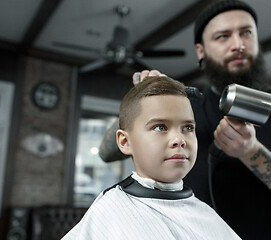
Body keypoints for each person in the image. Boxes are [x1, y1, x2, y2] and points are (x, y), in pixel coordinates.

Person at [99, 1, 271, 239]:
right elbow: (107, 152)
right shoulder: (186, 109)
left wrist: (251, 152)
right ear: (201, 51)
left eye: (246, 33)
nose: (238, 45)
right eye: (223, 36)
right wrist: (144, 102)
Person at [62, 76, 241, 240]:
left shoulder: (205, 215)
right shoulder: (109, 210)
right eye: (160, 127)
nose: (179, 139)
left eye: (187, 128)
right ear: (125, 141)